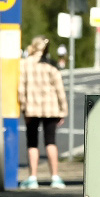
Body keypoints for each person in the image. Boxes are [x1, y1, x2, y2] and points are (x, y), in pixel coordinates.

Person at [19, 35, 68, 189]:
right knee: (50, 141)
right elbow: (59, 89)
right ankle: (55, 177)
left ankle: (32, 178)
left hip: (31, 110)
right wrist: (63, 110)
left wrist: (24, 108)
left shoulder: (24, 64)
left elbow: (21, 89)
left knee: (32, 142)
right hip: (51, 109)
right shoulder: (51, 64)